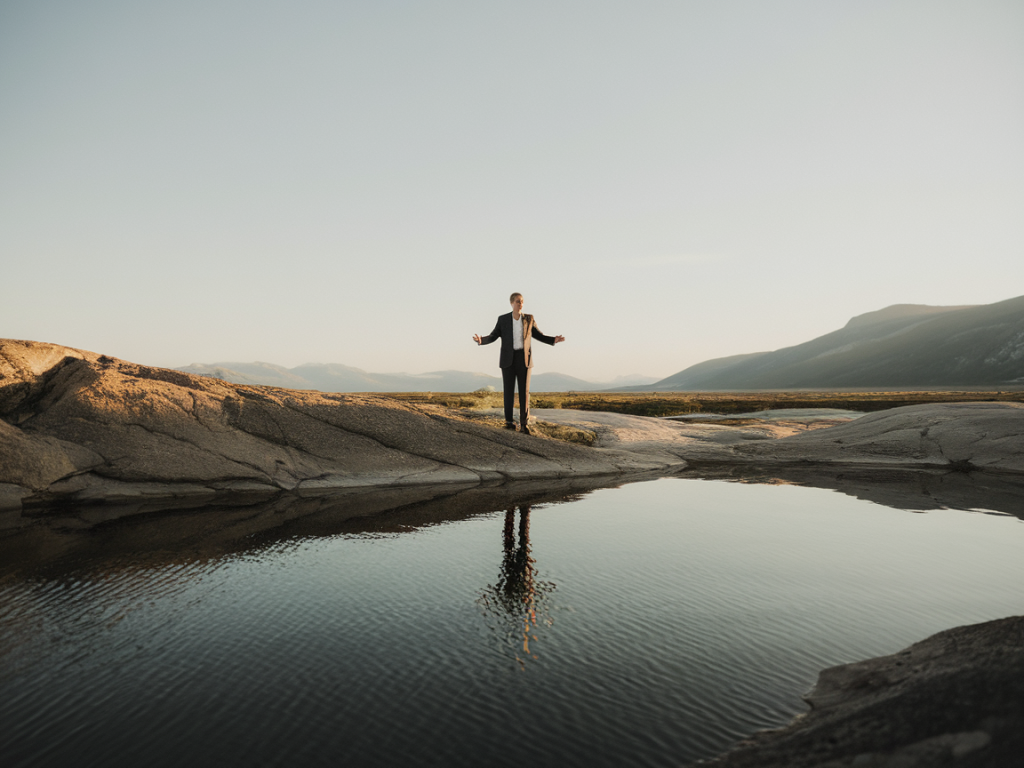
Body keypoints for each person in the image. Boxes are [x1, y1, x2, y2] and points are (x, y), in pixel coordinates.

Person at [473, 293, 565, 434]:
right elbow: (493, 336)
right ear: (511, 303)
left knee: (524, 393)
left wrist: (553, 340)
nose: (520, 304)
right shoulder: (503, 319)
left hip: (524, 360)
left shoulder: (529, 319)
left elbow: (538, 335)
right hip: (508, 359)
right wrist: (481, 340)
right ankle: (509, 422)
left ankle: (524, 424)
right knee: (508, 392)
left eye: (522, 302)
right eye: (517, 301)